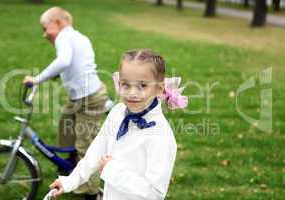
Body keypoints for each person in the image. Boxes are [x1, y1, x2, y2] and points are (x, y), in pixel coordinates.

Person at [49, 49, 188, 200]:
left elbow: (154, 193)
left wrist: (112, 170)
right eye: (126, 85)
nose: (132, 93)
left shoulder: (161, 136)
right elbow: (96, 151)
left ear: (158, 89)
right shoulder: (118, 112)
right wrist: (71, 181)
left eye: (142, 85)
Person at [23, 7, 109, 200]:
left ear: (59, 23)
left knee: (86, 145)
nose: (45, 35)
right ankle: (71, 163)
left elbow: (64, 61)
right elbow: (75, 64)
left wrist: (38, 79)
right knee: (65, 125)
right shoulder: (77, 37)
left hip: (90, 99)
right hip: (83, 96)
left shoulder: (63, 37)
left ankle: (91, 192)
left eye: (46, 28)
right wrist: (55, 76)